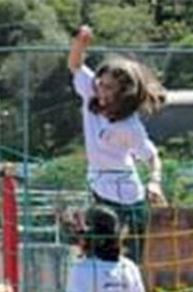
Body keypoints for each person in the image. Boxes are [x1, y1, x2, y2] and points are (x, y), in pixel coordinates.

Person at [68, 25, 167, 265]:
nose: (101, 89)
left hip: (127, 196)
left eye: (109, 87)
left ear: (125, 93)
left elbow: (152, 157)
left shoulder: (129, 127)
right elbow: (75, 65)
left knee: (128, 261)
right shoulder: (91, 93)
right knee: (95, 254)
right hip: (99, 186)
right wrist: (80, 44)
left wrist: (154, 182)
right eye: (101, 83)